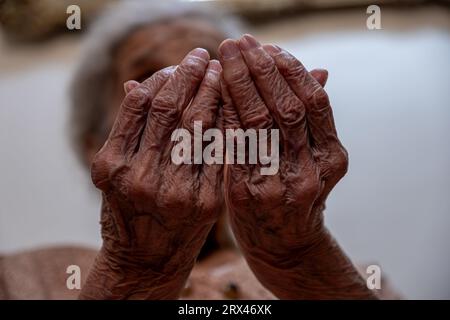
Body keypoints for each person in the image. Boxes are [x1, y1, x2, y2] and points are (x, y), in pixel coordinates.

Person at [0, 2, 399, 300]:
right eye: (152, 81)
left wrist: (299, 260)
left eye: (216, 77)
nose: (191, 108)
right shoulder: (21, 281)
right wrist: (137, 272)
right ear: (96, 145)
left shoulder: (351, 278)